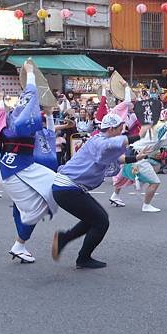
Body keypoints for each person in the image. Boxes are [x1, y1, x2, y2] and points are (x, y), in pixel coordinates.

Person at [51, 113, 151, 269]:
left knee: (93, 219)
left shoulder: (102, 143)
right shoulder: (99, 140)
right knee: (101, 221)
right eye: (120, 128)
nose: (122, 131)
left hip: (68, 187)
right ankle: (82, 258)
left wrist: (137, 158)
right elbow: (111, 145)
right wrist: (137, 135)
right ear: (111, 129)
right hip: (68, 187)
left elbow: (116, 159)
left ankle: (63, 239)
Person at [0, 61, 58, 263]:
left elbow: (47, 132)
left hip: (17, 169)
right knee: (42, 202)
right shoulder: (23, 122)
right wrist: (30, 73)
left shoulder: (14, 118)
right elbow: (31, 94)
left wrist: (49, 114)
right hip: (19, 170)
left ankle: (20, 245)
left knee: (27, 208)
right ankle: (19, 243)